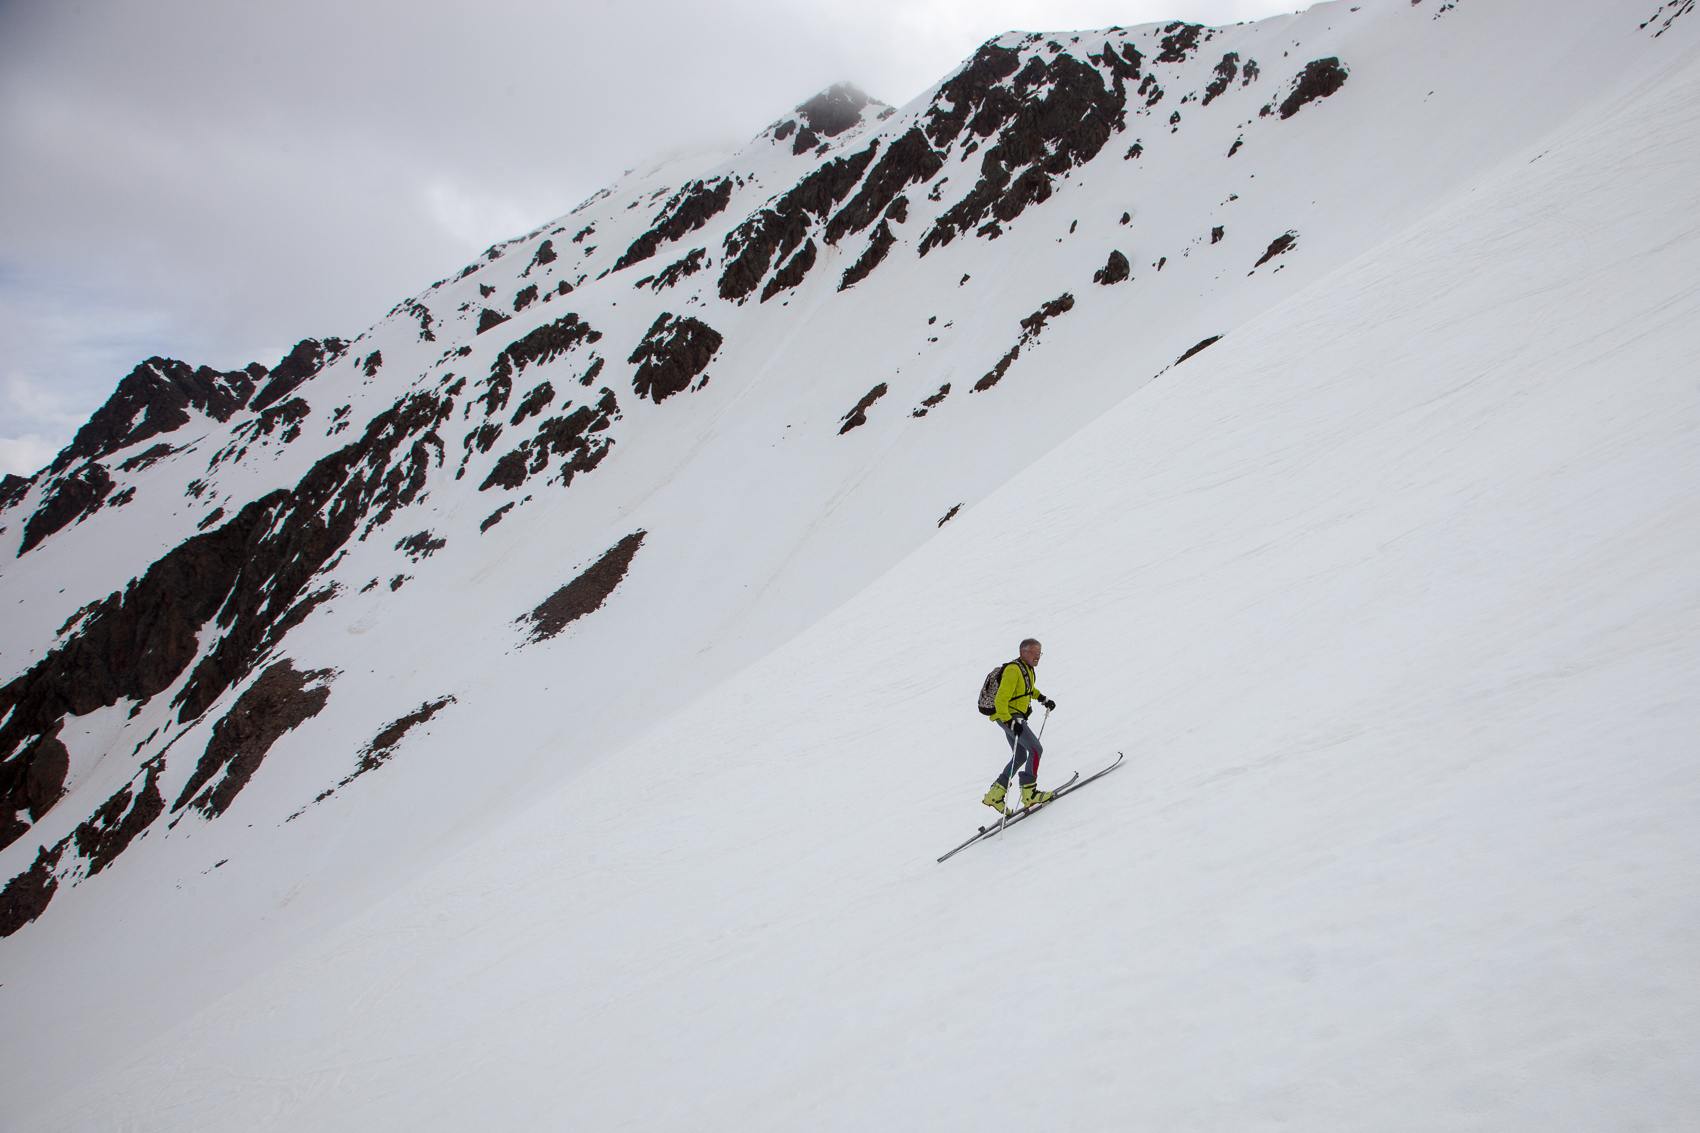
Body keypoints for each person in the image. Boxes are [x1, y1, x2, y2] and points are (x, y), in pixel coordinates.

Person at [982, 638, 1058, 814]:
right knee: (1036, 749)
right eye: (1033, 653)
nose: (1037, 656)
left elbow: (1027, 689)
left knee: (1020, 756)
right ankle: (1029, 793)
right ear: (1022, 652)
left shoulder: (1027, 670)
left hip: (1012, 717)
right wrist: (1009, 721)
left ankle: (995, 794)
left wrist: (1043, 699)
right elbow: (1001, 699)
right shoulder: (1013, 670)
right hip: (1010, 716)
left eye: (1039, 653)